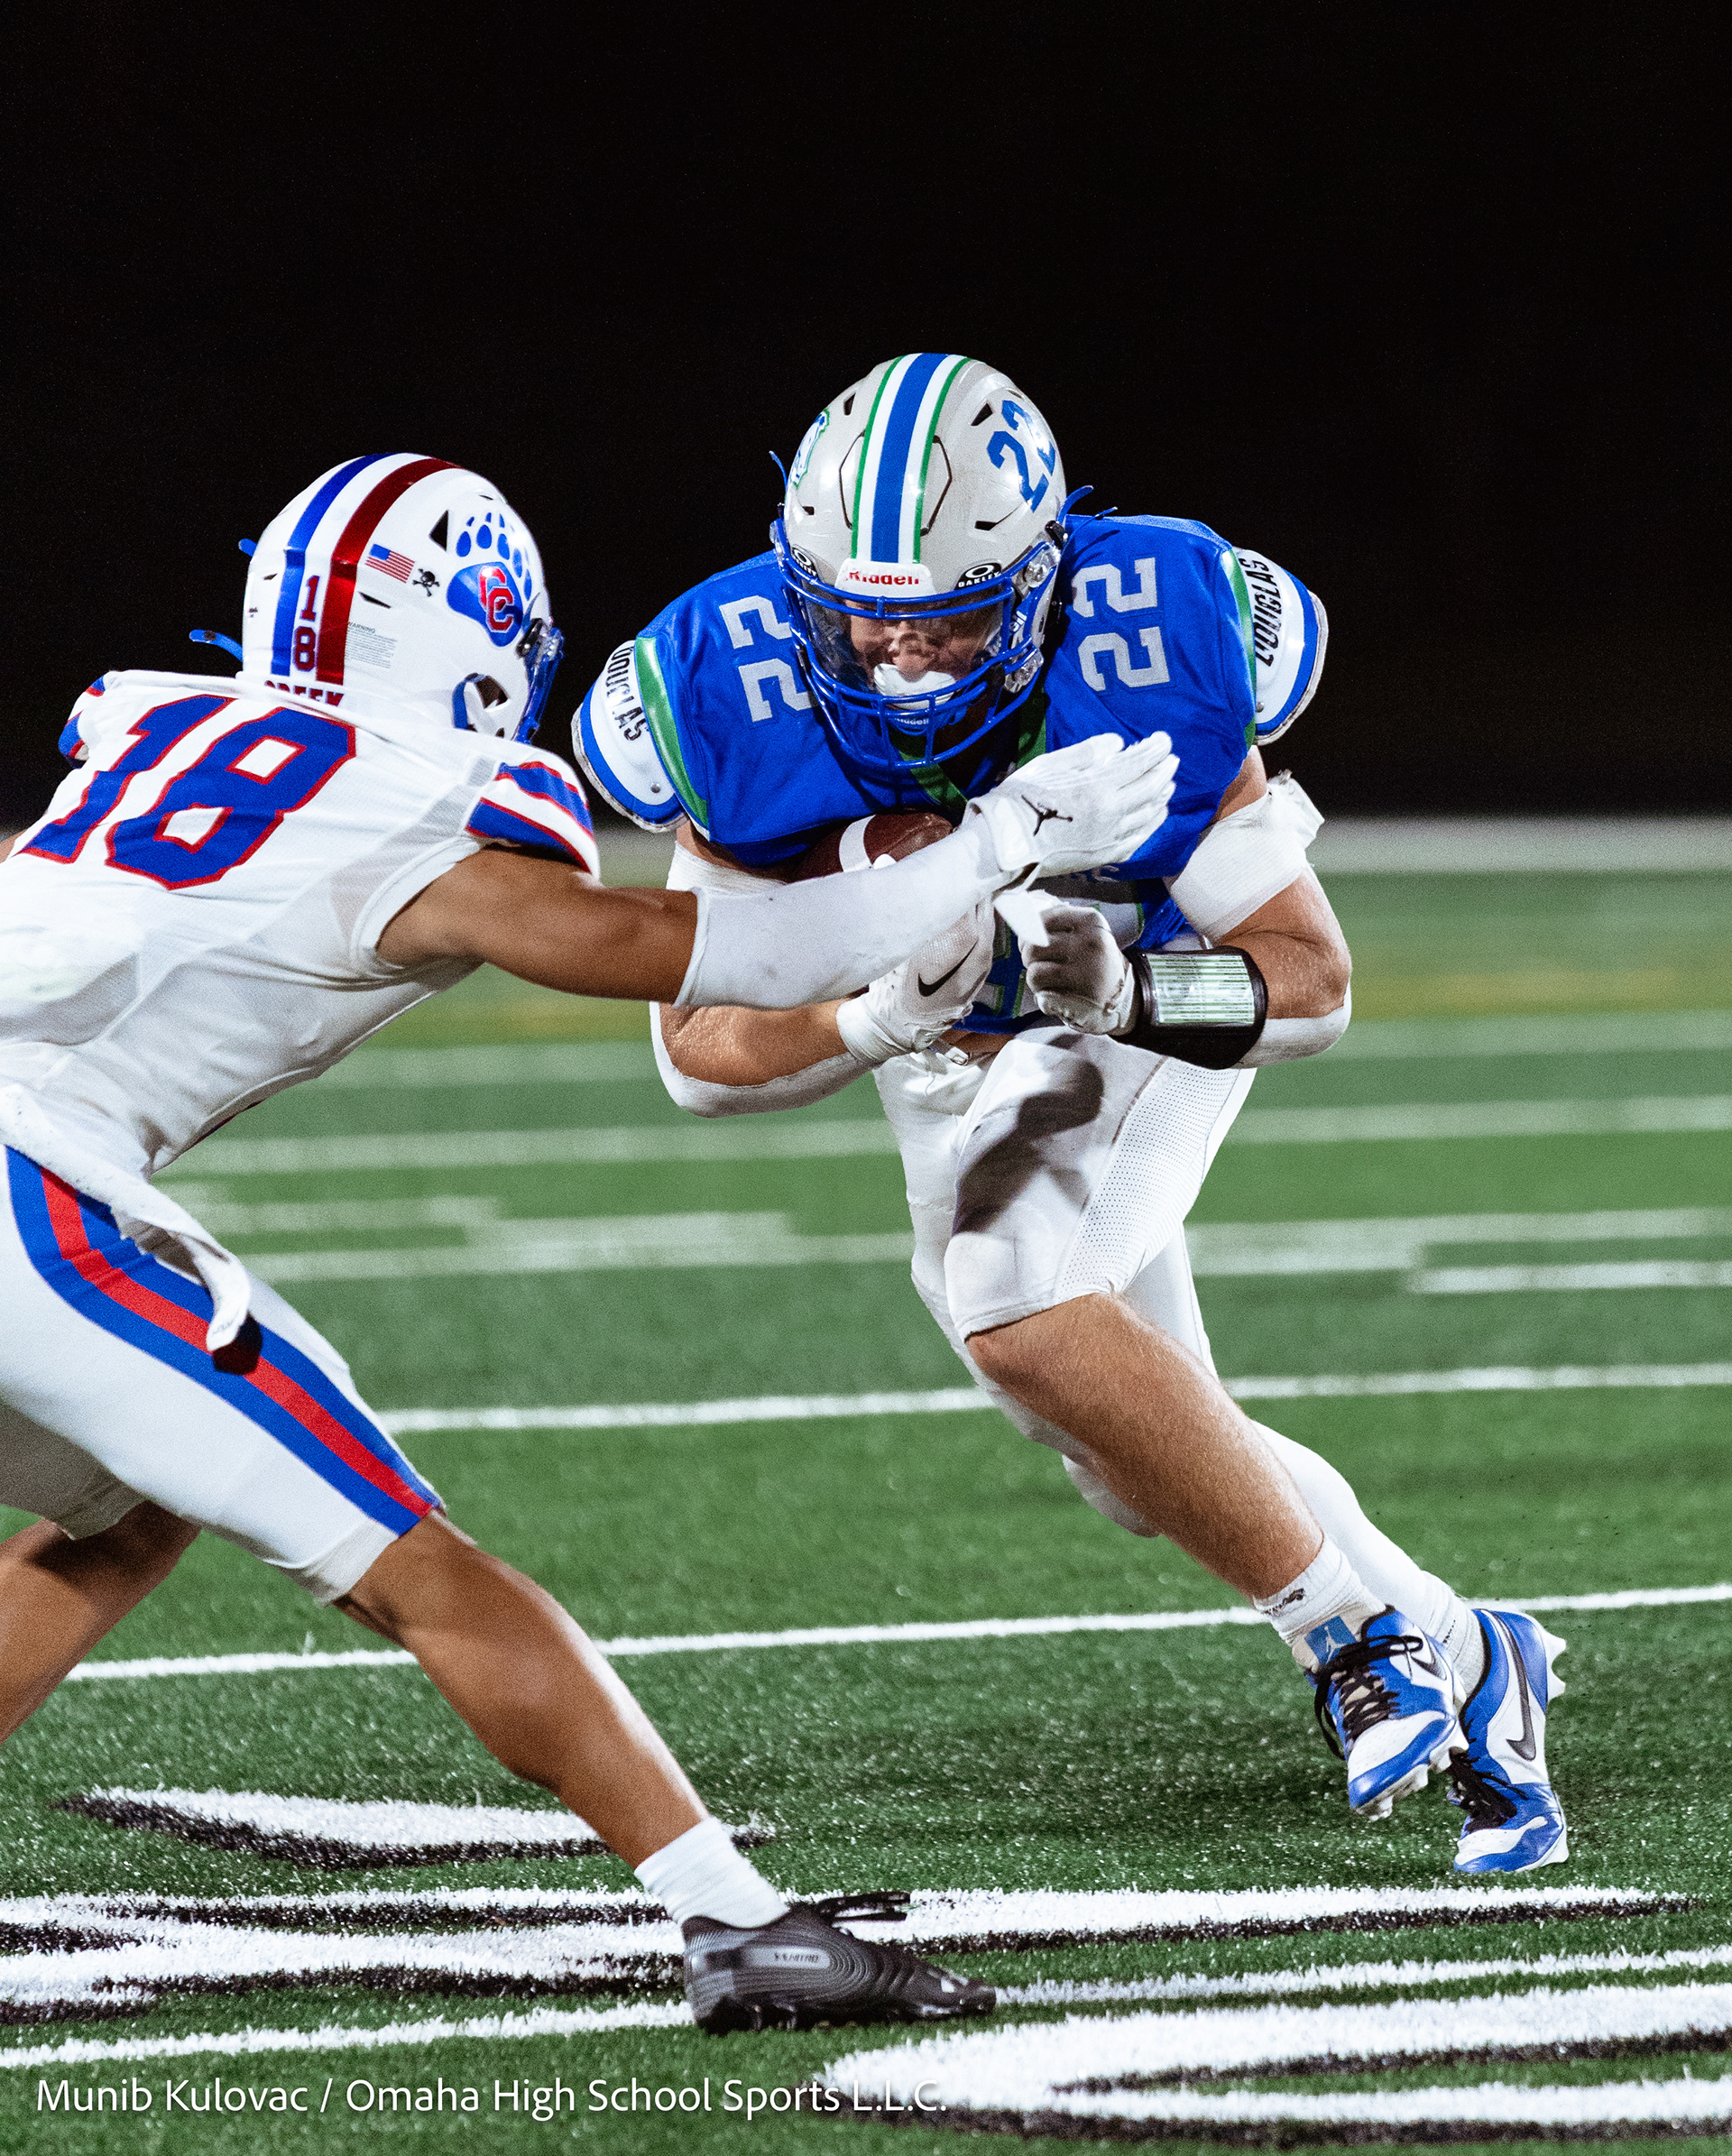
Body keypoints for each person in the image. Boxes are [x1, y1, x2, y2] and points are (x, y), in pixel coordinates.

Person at [0, 452, 1178, 2033]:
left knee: (131, 1503)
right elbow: (699, 955)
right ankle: (740, 1925)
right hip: (27, 1190)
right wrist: (994, 841)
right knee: (410, 1562)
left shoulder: (147, 737)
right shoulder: (421, 805)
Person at [574, 357, 1568, 1876]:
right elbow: (702, 1056)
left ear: (1039, 583)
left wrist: (1135, 992)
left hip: (1131, 998)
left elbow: (1309, 983)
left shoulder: (1153, 623)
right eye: (864, 622)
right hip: (934, 1042)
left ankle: (1350, 1635)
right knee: (1126, 1453)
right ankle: (1464, 1643)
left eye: (952, 620)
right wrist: (880, 1018)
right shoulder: (724, 676)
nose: (904, 661)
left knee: (1019, 1297)